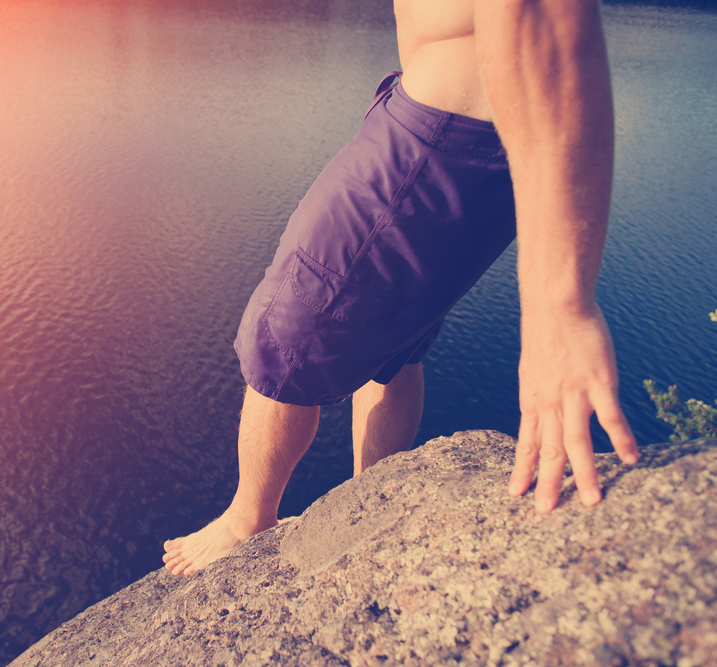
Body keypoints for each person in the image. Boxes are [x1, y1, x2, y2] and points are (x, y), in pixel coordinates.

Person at [163, 0, 641, 577]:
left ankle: (249, 519)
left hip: (436, 143)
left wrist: (562, 306)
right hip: (464, 140)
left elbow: (555, 25)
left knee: (288, 329)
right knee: (393, 342)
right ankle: (370, 503)